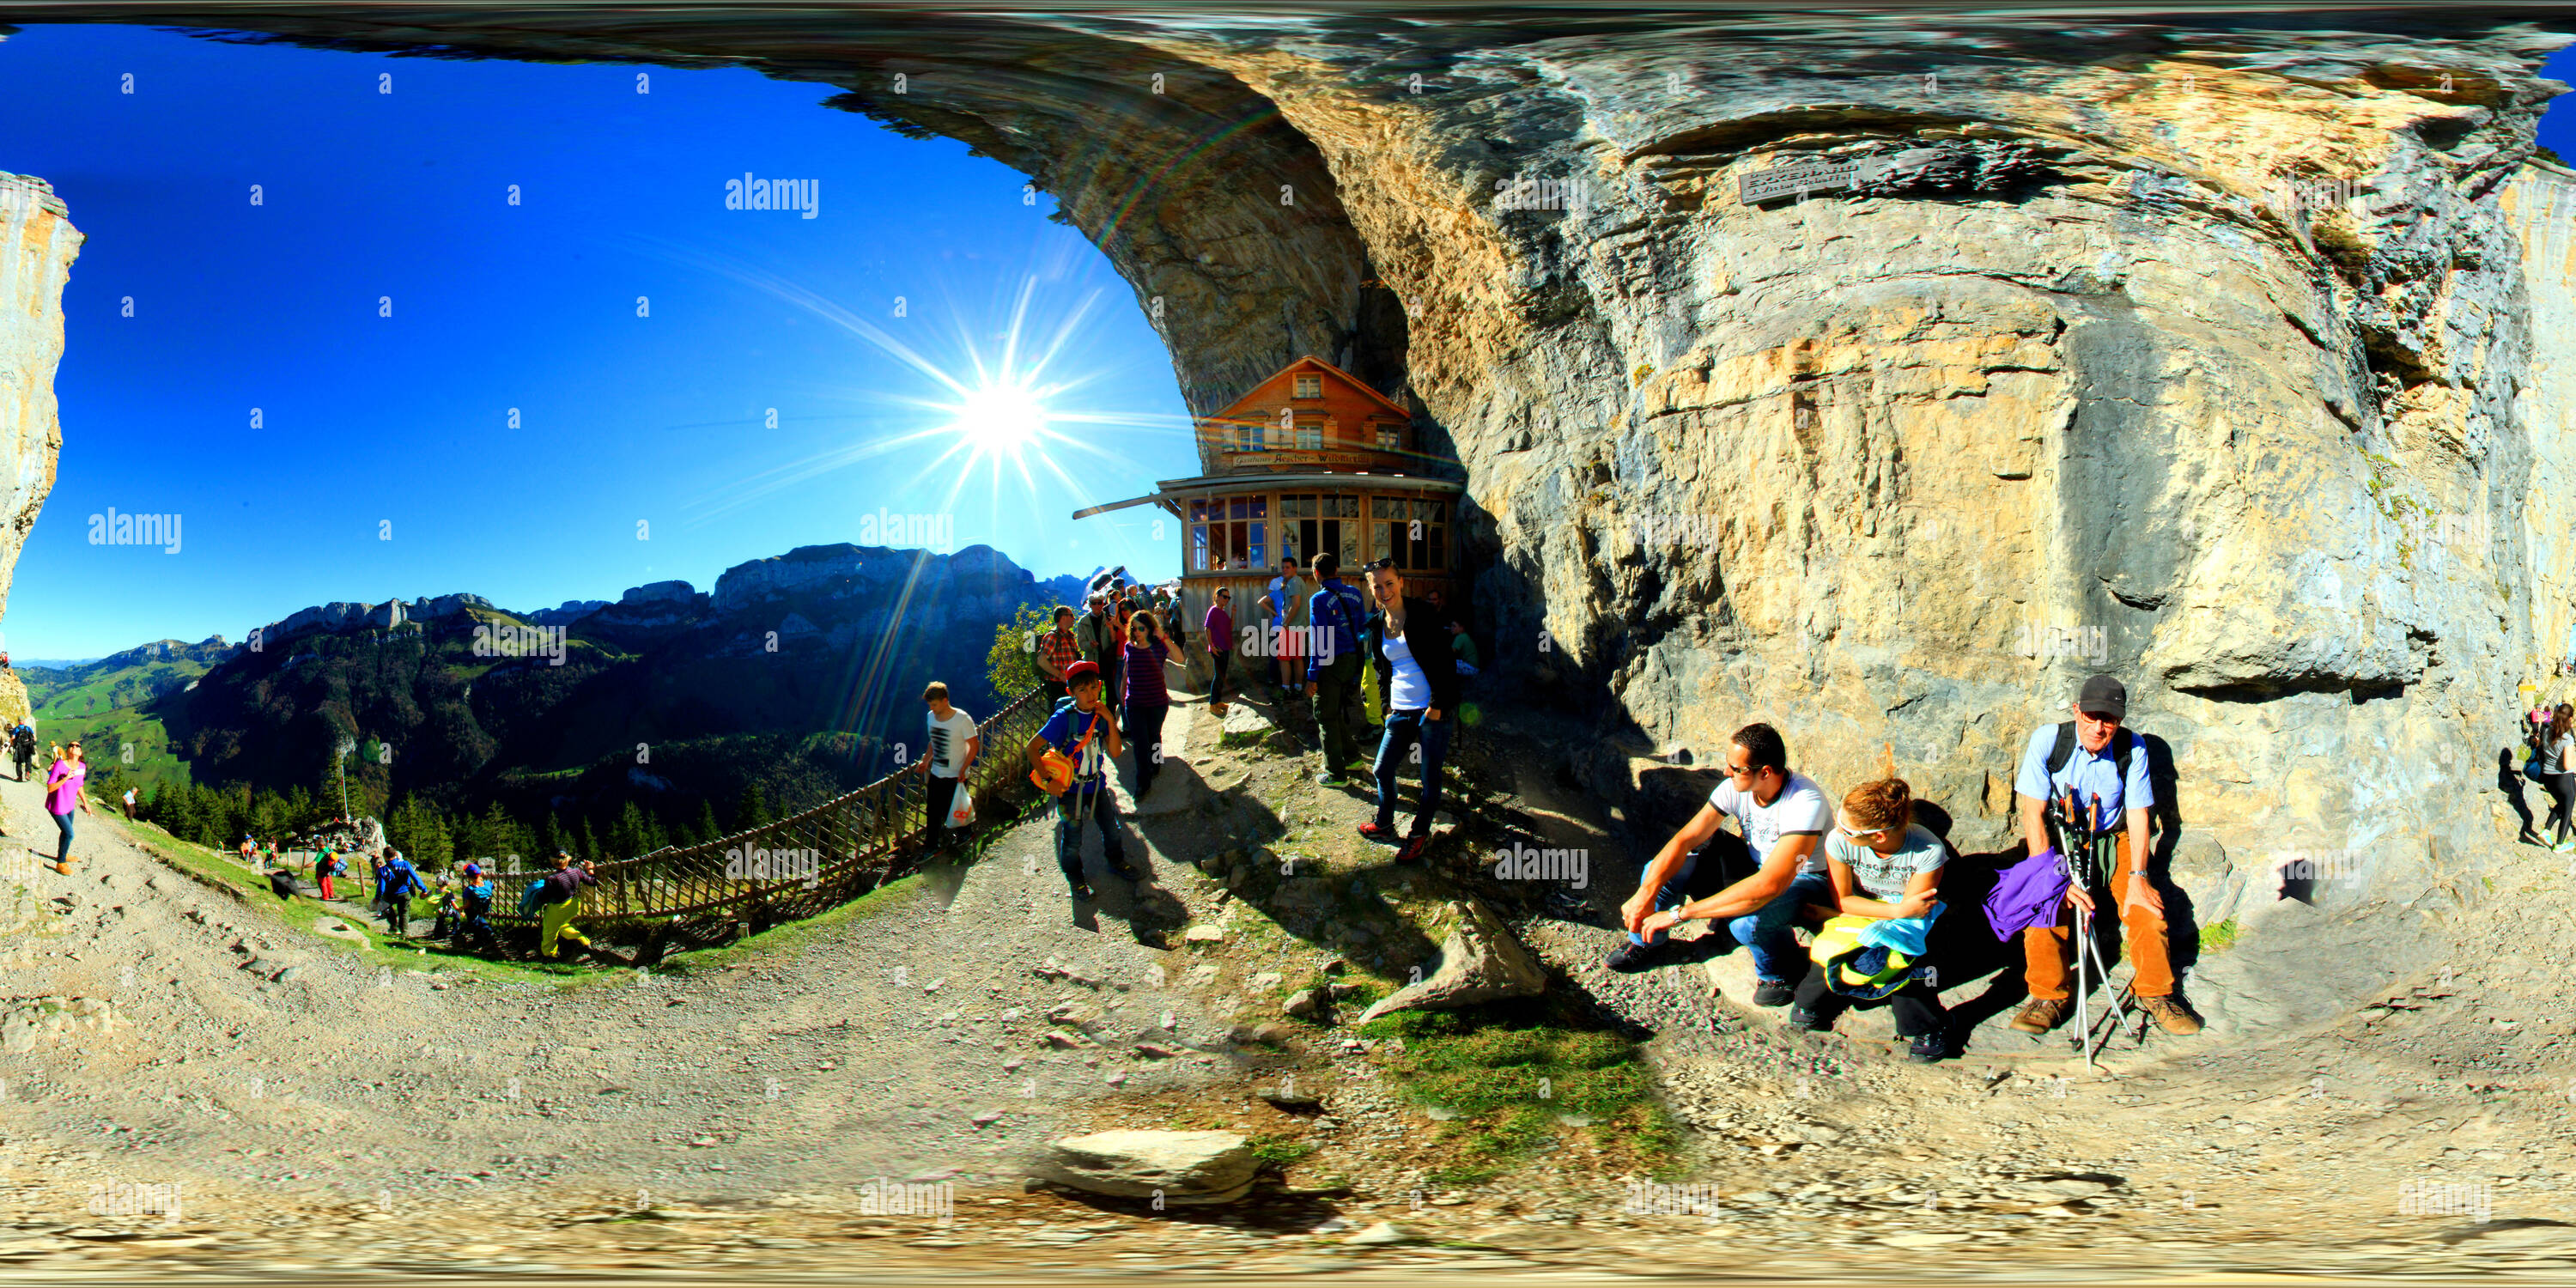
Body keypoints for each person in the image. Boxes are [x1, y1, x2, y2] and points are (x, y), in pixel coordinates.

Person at [2009, 673, 2202, 1037]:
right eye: (2092, 716)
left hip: (2115, 837)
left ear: (2120, 720)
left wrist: (2139, 880)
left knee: (2146, 911)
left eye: (2110, 719)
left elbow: (2139, 814)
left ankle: (2156, 992)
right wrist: (2048, 877)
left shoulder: (2134, 747)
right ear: (2077, 710)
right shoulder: (2049, 740)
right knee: (2043, 905)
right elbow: (2032, 813)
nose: (2099, 728)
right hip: (2059, 837)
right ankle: (2047, 995)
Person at [1607, 722, 1832, 1004]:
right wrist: (1644, 895)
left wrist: (1679, 914)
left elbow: (1771, 884)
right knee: (1658, 869)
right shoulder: (1735, 788)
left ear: (1765, 772)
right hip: (1754, 865)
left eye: (1736, 769)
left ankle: (1781, 970)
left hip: (1803, 878)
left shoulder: (1804, 802)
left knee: (1747, 924)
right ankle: (1646, 940)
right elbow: (1684, 840)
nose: (1727, 772)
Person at [1763, 778, 1952, 1062]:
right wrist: (1893, 912)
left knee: (1905, 956)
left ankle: (1926, 1026)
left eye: (1848, 828)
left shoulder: (1928, 851)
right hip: (1865, 909)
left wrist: (1895, 914)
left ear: (1878, 836)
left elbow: (1914, 912)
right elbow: (1844, 899)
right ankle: (1808, 1004)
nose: (1838, 830)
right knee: (1832, 949)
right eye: (1839, 821)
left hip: (1909, 919)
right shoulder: (1840, 841)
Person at [1357, 559, 1461, 863]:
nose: (1384, 590)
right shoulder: (1376, 625)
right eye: (1377, 585)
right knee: (1382, 769)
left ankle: (1417, 836)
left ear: (1400, 582)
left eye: (1389, 583)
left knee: (1429, 778)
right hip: (1400, 710)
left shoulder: (1423, 614)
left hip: (1431, 709)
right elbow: (1382, 669)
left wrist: (1437, 706)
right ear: (1371, 588)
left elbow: (1446, 662)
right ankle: (1385, 825)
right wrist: (1389, 707)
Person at [1024, 660, 1139, 902]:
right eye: (1083, 690)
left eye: (1094, 688)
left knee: (1113, 831)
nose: (1090, 694)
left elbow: (1116, 752)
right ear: (1071, 693)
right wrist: (1048, 781)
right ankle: (1076, 881)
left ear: (1099, 687)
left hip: (1096, 786)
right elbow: (1032, 748)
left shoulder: (1100, 715)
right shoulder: (1063, 719)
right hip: (1069, 791)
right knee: (1073, 841)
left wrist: (1109, 720)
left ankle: (1116, 862)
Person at [1305, 552, 1370, 786]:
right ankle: (1352, 758)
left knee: (1324, 713)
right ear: (1337, 569)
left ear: (1316, 573)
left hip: (1331, 663)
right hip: (1352, 659)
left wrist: (1312, 675)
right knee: (1333, 710)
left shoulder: (1319, 599)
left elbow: (1320, 639)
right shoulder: (1354, 593)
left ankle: (1335, 774)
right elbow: (1362, 627)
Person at [918, 681, 980, 854]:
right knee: (933, 809)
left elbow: (974, 745)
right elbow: (933, 741)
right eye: (930, 704)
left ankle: (965, 834)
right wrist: (926, 760)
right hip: (938, 771)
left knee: (955, 806)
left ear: (945, 700)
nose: (932, 708)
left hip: (956, 772)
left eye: (935, 704)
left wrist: (964, 768)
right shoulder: (931, 717)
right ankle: (932, 846)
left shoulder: (962, 719)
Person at [1121, 610, 1175, 800]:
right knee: (1140, 744)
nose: (1136, 632)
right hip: (1134, 703)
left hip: (1157, 702)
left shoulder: (1159, 647)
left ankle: (1157, 762)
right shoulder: (1128, 647)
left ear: (1150, 628)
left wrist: (1164, 637)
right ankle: (1142, 783)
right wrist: (1122, 697)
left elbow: (1180, 658)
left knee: (1154, 736)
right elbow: (1126, 673)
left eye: (1141, 628)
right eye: (1133, 628)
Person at [41, 741, 92, 877]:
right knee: (69, 833)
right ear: (68, 750)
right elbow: (50, 787)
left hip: (70, 806)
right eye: (71, 745)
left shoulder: (82, 766)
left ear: (80, 752)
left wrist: (85, 803)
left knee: (65, 832)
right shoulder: (60, 765)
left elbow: (79, 785)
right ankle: (61, 863)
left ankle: (64, 852)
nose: (74, 747)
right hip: (57, 805)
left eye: (77, 746)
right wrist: (65, 779)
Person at [535, 851, 597, 959]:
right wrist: (590, 869)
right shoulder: (577, 872)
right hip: (573, 905)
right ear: (567, 859)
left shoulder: (552, 879)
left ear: (553, 862)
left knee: (550, 931)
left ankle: (550, 954)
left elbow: (544, 897)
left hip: (558, 908)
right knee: (562, 925)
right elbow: (592, 882)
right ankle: (584, 941)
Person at [1261, 557, 1303, 697]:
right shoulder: (1297, 583)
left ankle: (1285, 687)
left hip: (1289, 626)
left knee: (1283, 658)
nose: (1284, 570)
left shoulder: (1293, 583)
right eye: (1283, 567)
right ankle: (1298, 686)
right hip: (1298, 626)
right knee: (1297, 658)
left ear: (1295, 568)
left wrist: (1284, 623)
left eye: (1288, 567)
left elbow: (1295, 605)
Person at [2542, 704, 2576, 852]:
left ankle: (2546, 831)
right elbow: (2568, 765)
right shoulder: (2567, 739)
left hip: (2547, 776)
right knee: (2568, 808)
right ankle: (2560, 844)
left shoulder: (2547, 731)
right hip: (2563, 779)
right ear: (2569, 718)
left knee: (2561, 804)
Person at [376, 848, 428, 937]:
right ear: (395, 854)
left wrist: (378, 898)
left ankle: (393, 926)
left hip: (390, 894)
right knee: (404, 912)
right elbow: (415, 878)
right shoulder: (405, 864)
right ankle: (404, 933)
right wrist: (423, 889)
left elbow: (381, 887)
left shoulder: (382, 870)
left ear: (385, 856)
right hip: (404, 893)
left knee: (386, 906)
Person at [1037, 606, 1081, 707]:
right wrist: (1060, 675)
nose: (1073, 618)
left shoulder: (1069, 636)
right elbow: (1041, 661)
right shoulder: (1052, 637)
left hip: (1070, 684)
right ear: (1063, 618)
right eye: (1071, 615)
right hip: (1057, 686)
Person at [1205, 588, 1236, 714]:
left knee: (1221, 676)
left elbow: (1230, 627)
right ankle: (1213, 704)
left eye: (1228, 598)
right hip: (1218, 648)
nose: (1227, 600)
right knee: (1218, 676)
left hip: (1225, 647)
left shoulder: (1222, 612)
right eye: (1224, 597)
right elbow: (1207, 628)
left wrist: (1233, 613)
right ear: (1217, 596)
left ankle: (1217, 701)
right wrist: (1211, 645)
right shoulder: (1213, 611)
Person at [457, 863, 499, 954]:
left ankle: (486, 938)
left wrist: (460, 908)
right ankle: (479, 941)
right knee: (479, 922)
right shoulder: (488, 884)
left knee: (476, 924)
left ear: (469, 877)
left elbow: (468, 904)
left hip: (473, 910)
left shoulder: (469, 889)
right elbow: (493, 887)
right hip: (485, 908)